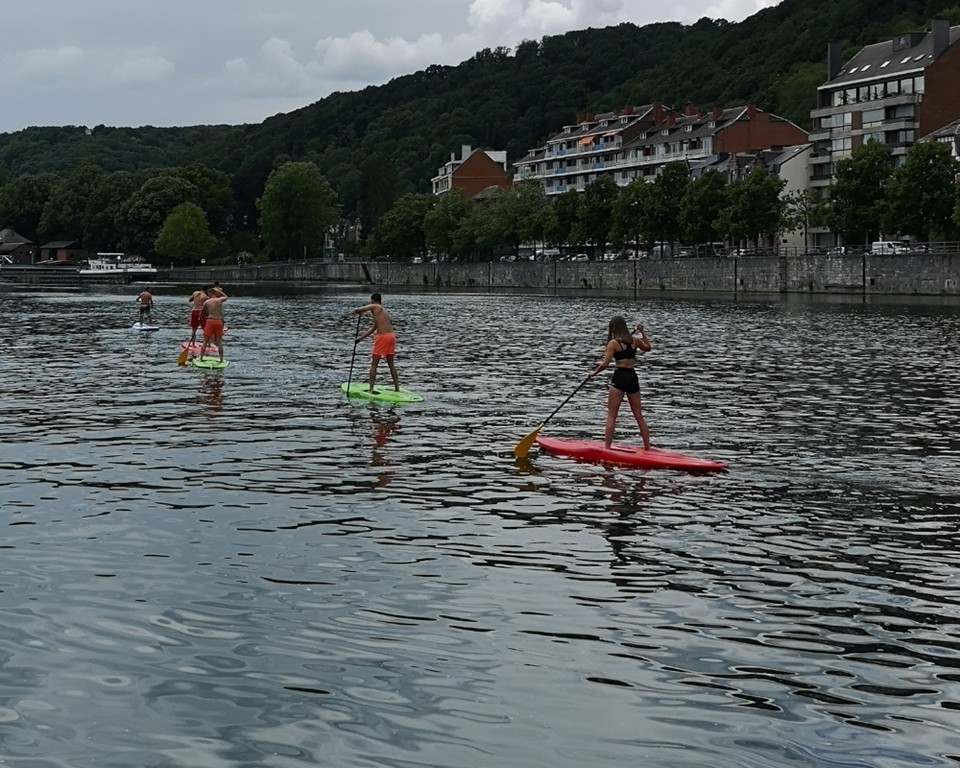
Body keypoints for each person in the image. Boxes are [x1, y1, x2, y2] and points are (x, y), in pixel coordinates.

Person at [590, 316, 652, 450]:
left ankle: (607, 447)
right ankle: (648, 447)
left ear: (613, 328)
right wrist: (643, 332)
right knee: (639, 416)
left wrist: (593, 374)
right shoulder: (635, 341)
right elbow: (648, 348)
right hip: (632, 377)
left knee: (612, 415)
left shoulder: (613, 343)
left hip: (620, 377)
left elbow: (605, 364)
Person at [354, 292, 400, 392]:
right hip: (391, 336)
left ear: (374, 301)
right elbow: (373, 328)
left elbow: (359, 309)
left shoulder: (375, 306)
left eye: (371, 301)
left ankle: (370, 389)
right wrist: (360, 339)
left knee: (374, 364)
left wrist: (358, 312)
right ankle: (397, 388)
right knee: (391, 364)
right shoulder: (383, 311)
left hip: (383, 337)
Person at [198, 285, 228, 362]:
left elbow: (202, 313)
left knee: (205, 340)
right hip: (219, 321)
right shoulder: (220, 300)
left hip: (210, 320)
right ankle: (221, 359)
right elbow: (226, 297)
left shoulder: (206, 302)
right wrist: (219, 291)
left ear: (210, 294)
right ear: (215, 293)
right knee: (219, 341)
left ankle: (201, 358)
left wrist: (200, 319)